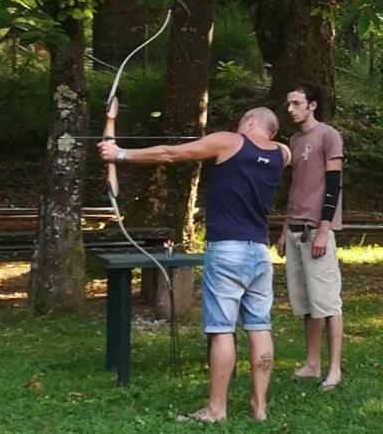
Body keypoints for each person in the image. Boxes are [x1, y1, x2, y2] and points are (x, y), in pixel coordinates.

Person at [98, 107, 290, 422]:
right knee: (259, 327)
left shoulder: (230, 141)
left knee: (221, 331)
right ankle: (260, 406)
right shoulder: (282, 154)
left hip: (228, 250)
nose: (237, 124)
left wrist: (120, 154)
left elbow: (174, 154)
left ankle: (216, 409)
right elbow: (280, 150)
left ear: (251, 121)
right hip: (258, 252)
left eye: (241, 120)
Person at [276, 82, 344, 391]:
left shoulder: (328, 136)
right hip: (294, 229)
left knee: (327, 303)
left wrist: (324, 229)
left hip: (317, 230)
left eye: (295, 103)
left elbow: (333, 186)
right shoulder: (294, 139)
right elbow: (295, 188)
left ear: (312, 105)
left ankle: (334, 369)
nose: (290, 108)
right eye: (288, 103)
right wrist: (283, 228)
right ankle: (312, 363)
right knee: (305, 303)